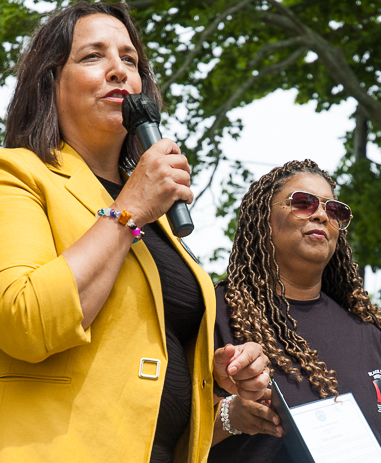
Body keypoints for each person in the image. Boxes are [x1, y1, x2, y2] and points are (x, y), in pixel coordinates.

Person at [0, 3, 269, 462]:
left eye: (129, 59)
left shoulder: (156, 216)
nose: (118, 71)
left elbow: (137, 356)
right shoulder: (18, 175)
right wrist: (128, 210)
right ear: (51, 82)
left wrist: (217, 371)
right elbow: (24, 322)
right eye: (92, 57)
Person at [208, 160, 381, 462]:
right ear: (264, 219)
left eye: (335, 210)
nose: (322, 215)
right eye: (303, 203)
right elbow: (164, 428)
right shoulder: (215, 311)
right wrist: (229, 417)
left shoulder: (368, 336)